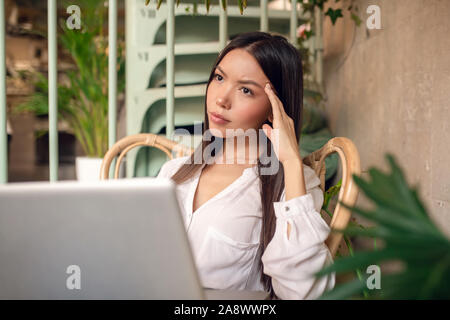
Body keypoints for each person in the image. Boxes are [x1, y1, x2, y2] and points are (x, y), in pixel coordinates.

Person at [157, 31, 335, 300]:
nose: (221, 99)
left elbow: (306, 293)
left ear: (274, 108)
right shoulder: (173, 172)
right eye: (219, 77)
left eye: (245, 90)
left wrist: (291, 162)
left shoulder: (293, 185)